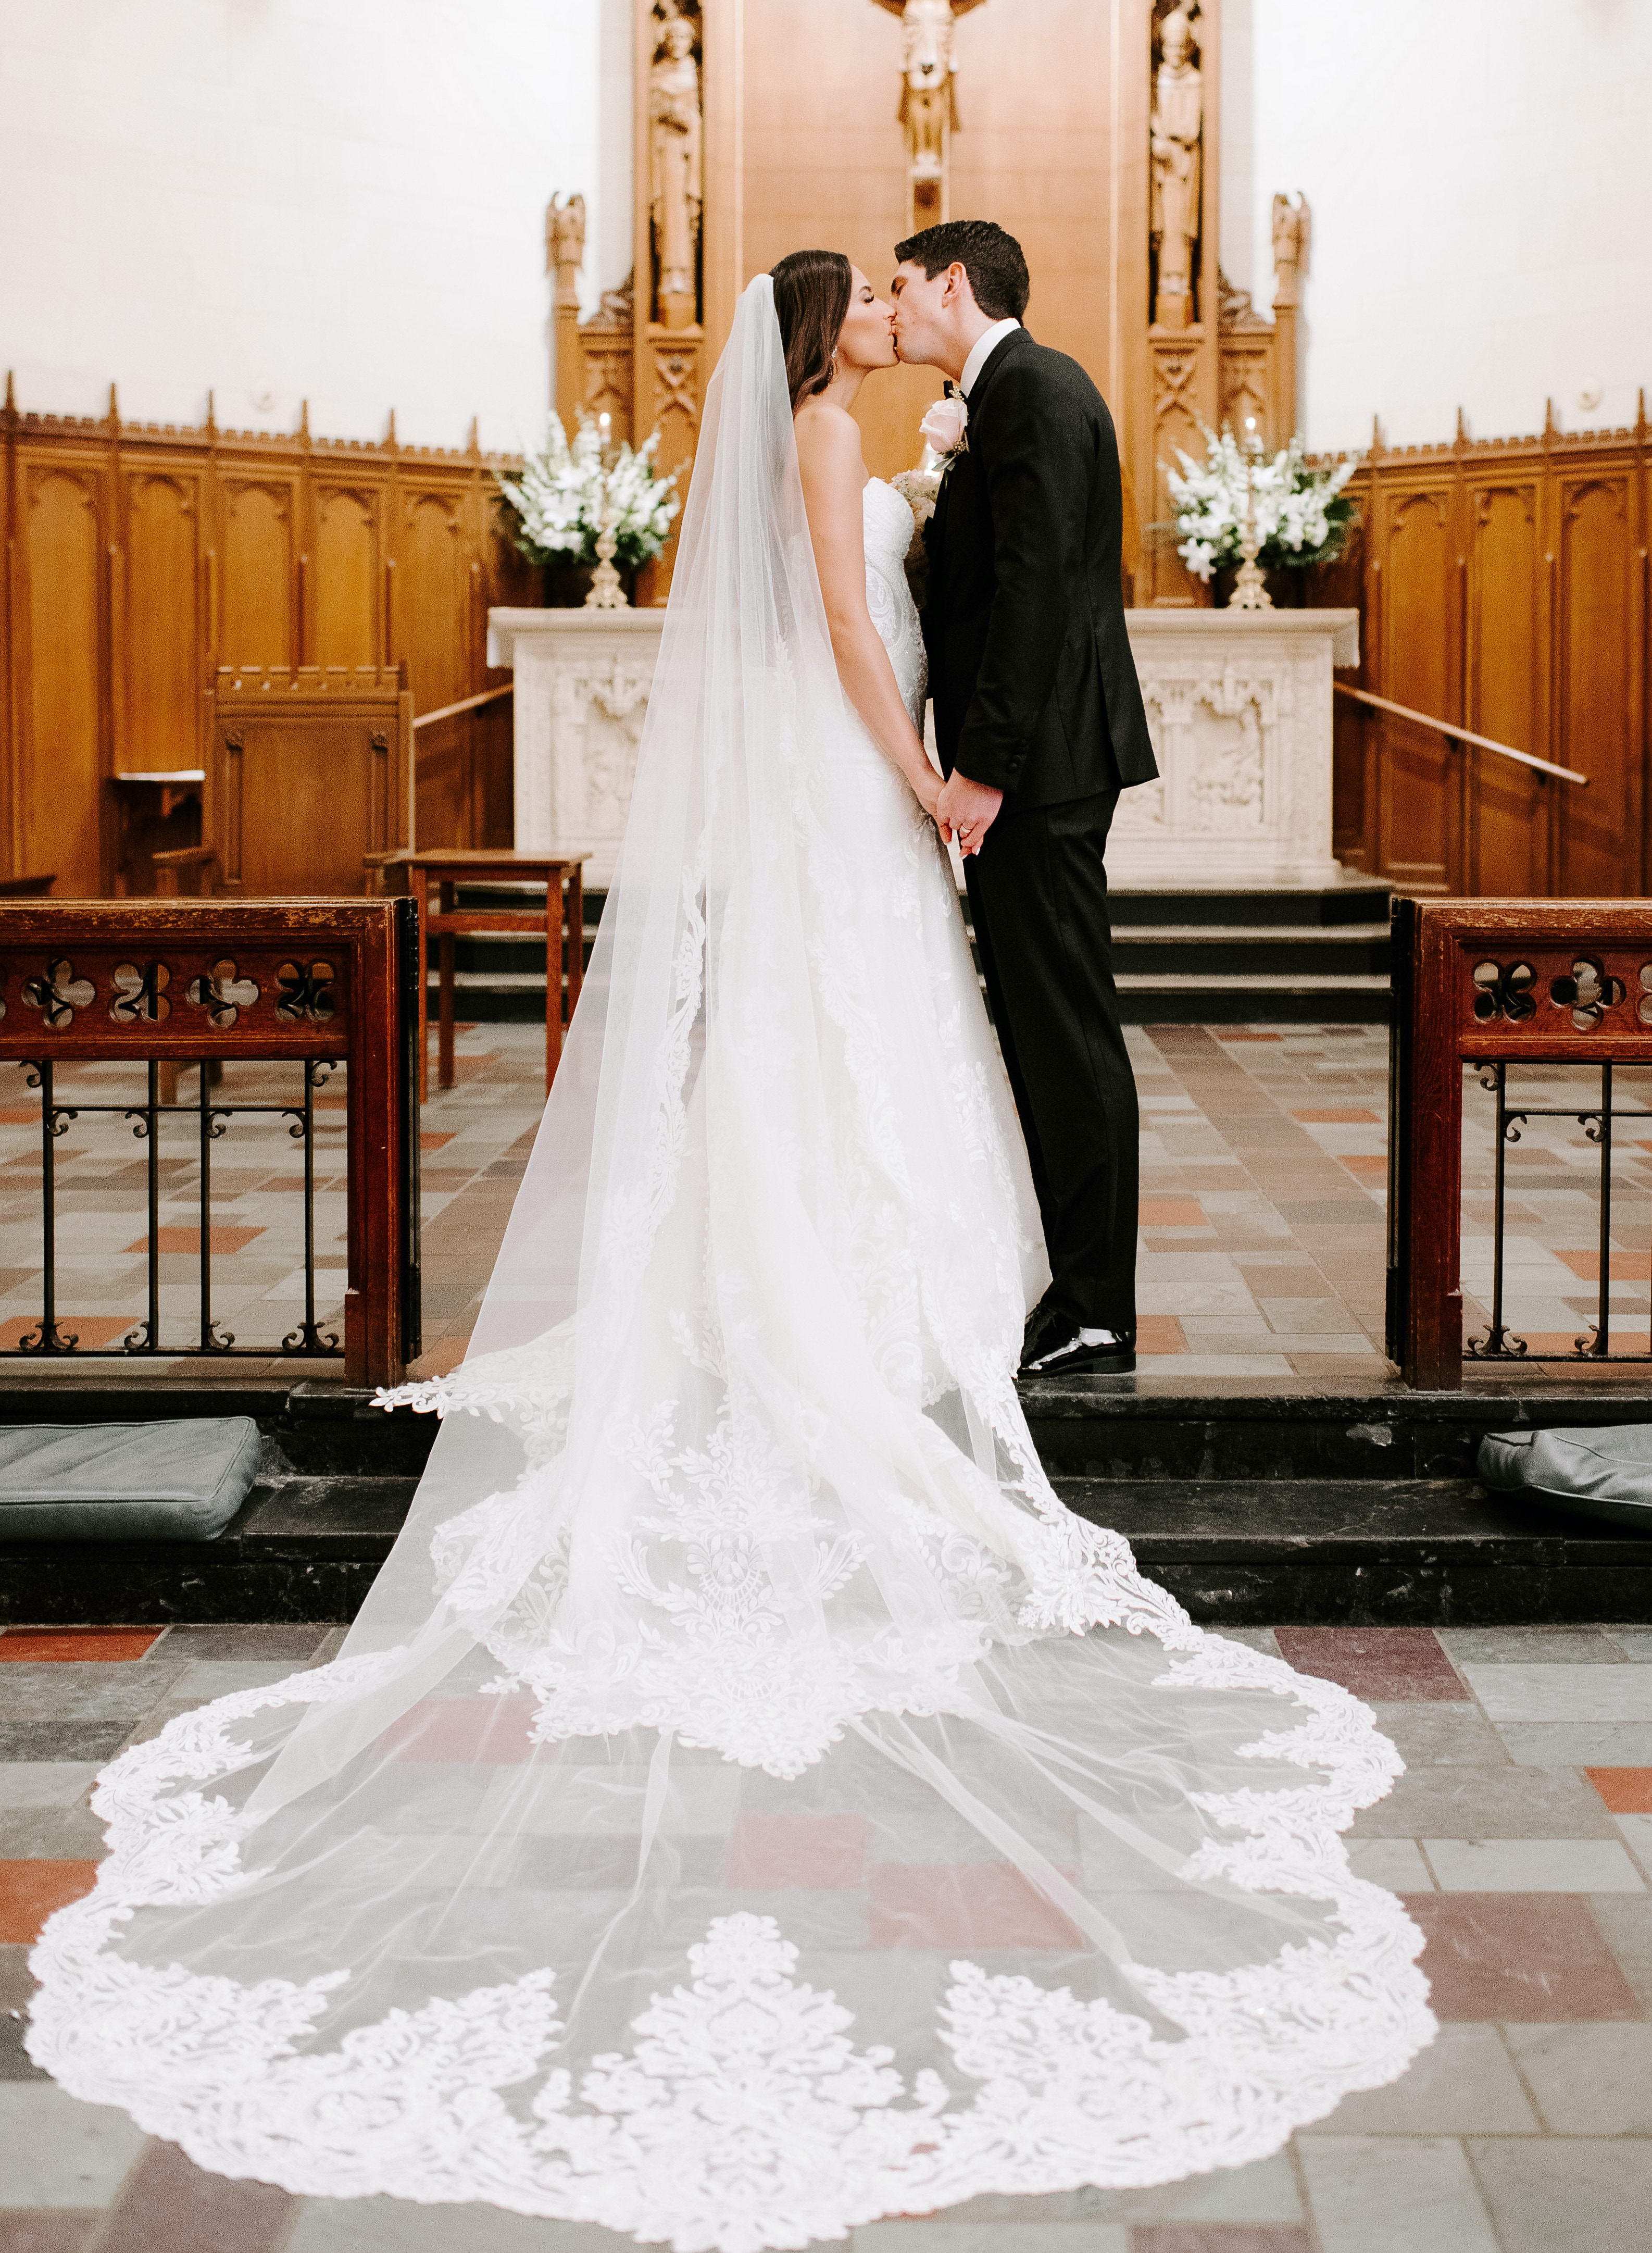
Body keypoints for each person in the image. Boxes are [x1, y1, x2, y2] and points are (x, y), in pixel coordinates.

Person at [27, 256, 1432, 2249]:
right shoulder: (841, 428)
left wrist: (934, 753)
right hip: (861, 782)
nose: (888, 305)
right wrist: (923, 769)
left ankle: (922, 1284)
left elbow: (906, 605)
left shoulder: (880, 417)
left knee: (861, 1040)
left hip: (856, 794)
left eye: (904, 289)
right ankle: (894, 1292)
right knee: (865, 1042)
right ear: (828, 331)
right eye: (866, 294)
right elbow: (860, 636)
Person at [892, 218, 1156, 1381]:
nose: (892, 309)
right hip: (1033, 763)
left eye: (900, 287)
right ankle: (1078, 1288)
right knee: (1041, 1031)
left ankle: (1098, 1306)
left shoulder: (1037, 390)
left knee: (1063, 1034)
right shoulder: (998, 396)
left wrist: (982, 767)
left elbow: (1034, 586)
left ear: (954, 283)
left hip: (1037, 770)